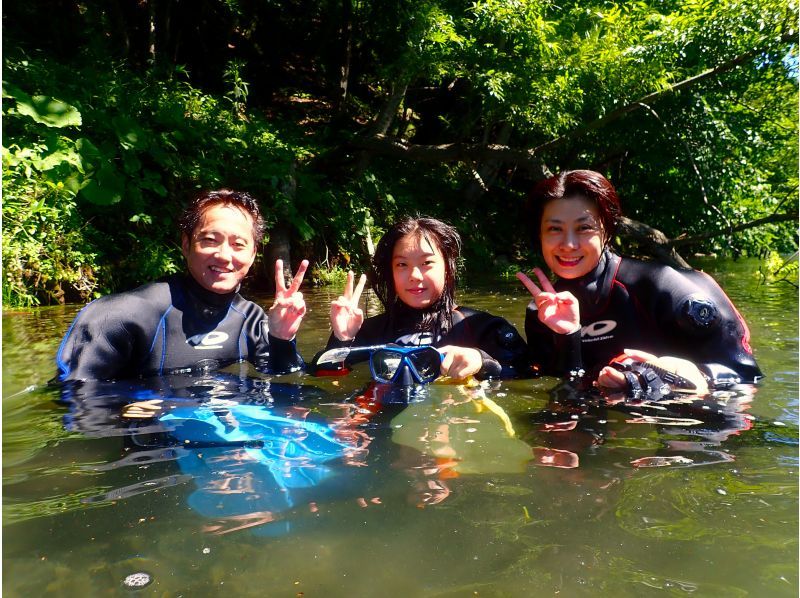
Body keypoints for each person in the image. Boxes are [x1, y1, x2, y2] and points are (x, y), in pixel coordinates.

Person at [516, 169, 763, 394]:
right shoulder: (542, 313)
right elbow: (567, 390)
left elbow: (746, 379)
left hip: (689, 424)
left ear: (607, 230)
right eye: (554, 229)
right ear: (540, 235)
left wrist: (681, 377)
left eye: (584, 228)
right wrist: (568, 336)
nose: (568, 244)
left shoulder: (664, 288)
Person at [56, 189, 309, 382]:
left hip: (230, 433)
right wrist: (136, 400)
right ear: (186, 245)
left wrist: (282, 338)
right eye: (210, 240)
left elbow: (284, 383)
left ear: (253, 254)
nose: (224, 255)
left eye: (238, 244)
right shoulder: (119, 316)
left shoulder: (250, 319)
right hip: (151, 440)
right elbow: (74, 397)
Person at [321, 216, 531, 381]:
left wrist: (482, 362)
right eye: (402, 265)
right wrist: (342, 340)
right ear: (390, 272)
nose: (414, 275)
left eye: (426, 263)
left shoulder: (481, 327)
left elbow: (530, 373)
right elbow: (325, 379)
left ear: (448, 269)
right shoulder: (371, 332)